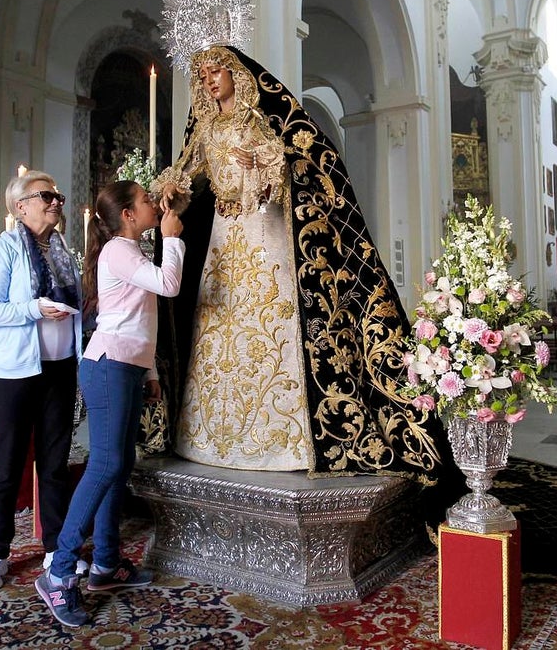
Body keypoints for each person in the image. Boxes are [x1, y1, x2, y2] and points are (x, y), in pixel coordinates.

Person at [153, 44, 452, 486]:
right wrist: (173, 194)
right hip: (222, 240)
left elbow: (304, 163)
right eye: (204, 76)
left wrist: (266, 167)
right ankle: (210, 435)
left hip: (264, 236)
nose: (210, 81)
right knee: (218, 333)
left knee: (272, 327)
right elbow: (189, 176)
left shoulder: (260, 120)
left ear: (238, 74)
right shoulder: (207, 128)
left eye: (218, 72)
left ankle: (285, 438)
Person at [36, 180, 184, 628]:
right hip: (108, 366)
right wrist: (174, 237)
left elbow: (140, 314)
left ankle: (104, 565)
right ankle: (60, 573)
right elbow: (169, 285)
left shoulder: (130, 250)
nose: (153, 206)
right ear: (126, 214)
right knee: (104, 464)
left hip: (128, 365)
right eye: (145, 201)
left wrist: (151, 372)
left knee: (120, 464)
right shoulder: (119, 250)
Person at [0, 171, 82, 593]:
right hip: (13, 372)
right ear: (21, 206)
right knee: (7, 465)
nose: (57, 202)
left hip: (58, 368)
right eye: (46, 196)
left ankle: (57, 549)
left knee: (54, 463)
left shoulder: (62, 252)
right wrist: (35, 308)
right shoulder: (2, 250)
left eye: (58, 196)